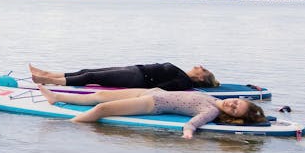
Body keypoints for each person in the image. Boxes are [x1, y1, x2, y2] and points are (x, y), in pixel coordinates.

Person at [37, 85, 266, 139]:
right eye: (237, 101)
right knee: (100, 96)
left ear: (235, 117)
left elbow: (192, 124)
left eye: (236, 109)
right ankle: (56, 97)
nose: (233, 104)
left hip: (152, 105)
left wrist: (188, 133)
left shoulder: (210, 112)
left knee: (102, 109)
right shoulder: (215, 99)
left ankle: (67, 125)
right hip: (153, 92)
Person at [29, 62, 220, 90]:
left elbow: (160, 89)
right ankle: (47, 73)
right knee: (87, 72)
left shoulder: (183, 81)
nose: (199, 66)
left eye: (203, 70)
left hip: (135, 78)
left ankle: (47, 81)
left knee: (90, 77)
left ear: (201, 78)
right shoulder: (182, 75)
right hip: (134, 70)